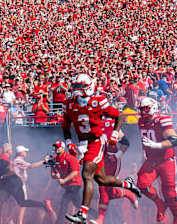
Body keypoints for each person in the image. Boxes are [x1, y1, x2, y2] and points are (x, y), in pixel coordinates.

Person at [60, 73, 140, 223]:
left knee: (87, 174)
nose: (75, 90)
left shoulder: (98, 102)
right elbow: (65, 126)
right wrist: (69, 141)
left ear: (88, 88)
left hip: (96, 142)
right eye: (74, 87)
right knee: (102, 180)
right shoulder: (69, 104)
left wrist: (115, 134)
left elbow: (119, 116)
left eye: (79, 87)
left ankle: (83, 213)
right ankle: (128, 185)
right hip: (81, 144)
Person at [136, 97, 177, 224]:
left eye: (146, 108)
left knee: (170, 194)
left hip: (166, 160)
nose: (143, 112)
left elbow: (174, 140)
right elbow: (144, 140)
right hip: (151, 160)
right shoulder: (141, 121)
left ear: (154, 108)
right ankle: (160, 204)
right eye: (141, 109)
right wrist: (144, 151)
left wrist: (155, 145)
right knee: (142, 184)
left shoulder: (162, 120)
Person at [91, 117, 139, 224]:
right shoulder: (87, 124)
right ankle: (127, 193)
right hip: (98, 160)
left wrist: (117, 155)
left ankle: (101, 219)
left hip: (111, 160)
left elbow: (125, 142)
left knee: (103, 188)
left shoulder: (109, 123)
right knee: (108, 192)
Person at [0, 154, 54, 224]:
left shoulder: (1, 162)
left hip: (15, 184)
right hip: (6, 186)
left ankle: (44, 204)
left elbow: (12, 172)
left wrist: (1, 177)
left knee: (22, 202)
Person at [8, 145, 52, 224]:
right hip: (18, 185)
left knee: (21, 204)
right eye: (24, 151)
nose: (26, 152)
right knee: (21, 203)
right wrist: (43, 161)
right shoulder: (18, 160)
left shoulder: (19, 161)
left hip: (19, 185)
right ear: (21, 153)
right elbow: (31, 166)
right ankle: (10, 220)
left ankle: (12, 221)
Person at [50, 141, 82, 224]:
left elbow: (75, 172)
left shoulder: (70, 158)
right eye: (55, 147)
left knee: (64, 201)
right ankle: (94, 213)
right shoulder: (54, 159)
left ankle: (59, 222)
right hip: (67, 185)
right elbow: (52, 175)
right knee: (78, 204)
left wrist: (63, 180)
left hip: (75, 183)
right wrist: (56, 176)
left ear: (63, 148)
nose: (56, 149)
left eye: (58, 147)